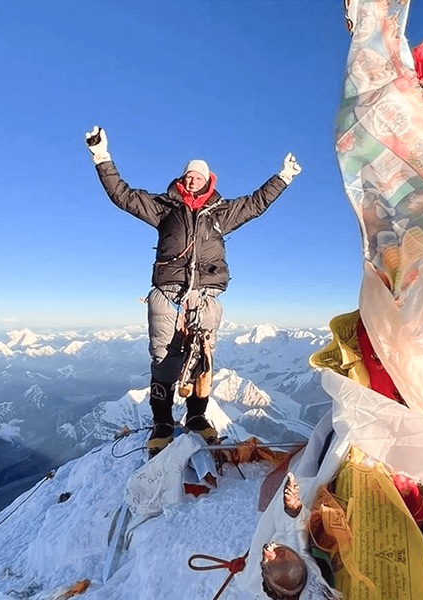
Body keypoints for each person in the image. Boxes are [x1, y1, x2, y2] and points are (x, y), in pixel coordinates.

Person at [85, 126, 301, 457]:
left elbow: (257, 203)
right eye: (188, 175)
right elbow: (123, 195)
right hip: (166, 293)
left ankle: (197, 417)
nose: (192, 179)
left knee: (204, 360)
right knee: (163, 360)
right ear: (181, 180)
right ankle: (162, 424)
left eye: (198, 176)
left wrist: (283, 177)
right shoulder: (163, 208)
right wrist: (101, 155)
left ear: (208, 181)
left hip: (207, 297)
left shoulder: (222, 213)